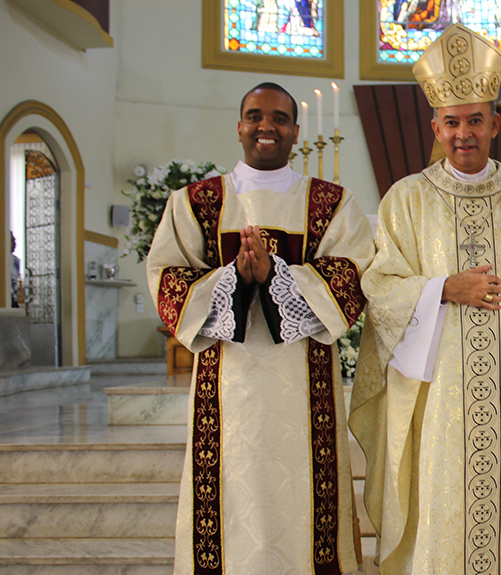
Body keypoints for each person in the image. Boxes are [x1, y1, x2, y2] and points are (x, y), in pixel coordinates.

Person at [350, 24, 501, 575]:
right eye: (451, 122)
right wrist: (443, 289)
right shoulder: (405, 200)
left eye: (475, 120)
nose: (463, 133)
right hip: (440, 404)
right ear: (436, 126)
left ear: (495, 123)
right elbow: (380, 289)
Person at [147, 82, 373, 575]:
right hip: (225, 390)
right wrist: (233, 279)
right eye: (254, 115)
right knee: (233, 491)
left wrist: (277, 277)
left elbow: (355, 274)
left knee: (304, 499)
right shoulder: (196, 204)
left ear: (295, 130)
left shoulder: (330, 203)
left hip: (306, 387)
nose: (265, 126)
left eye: (277, 118)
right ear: (239, 126)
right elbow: (167, 279)